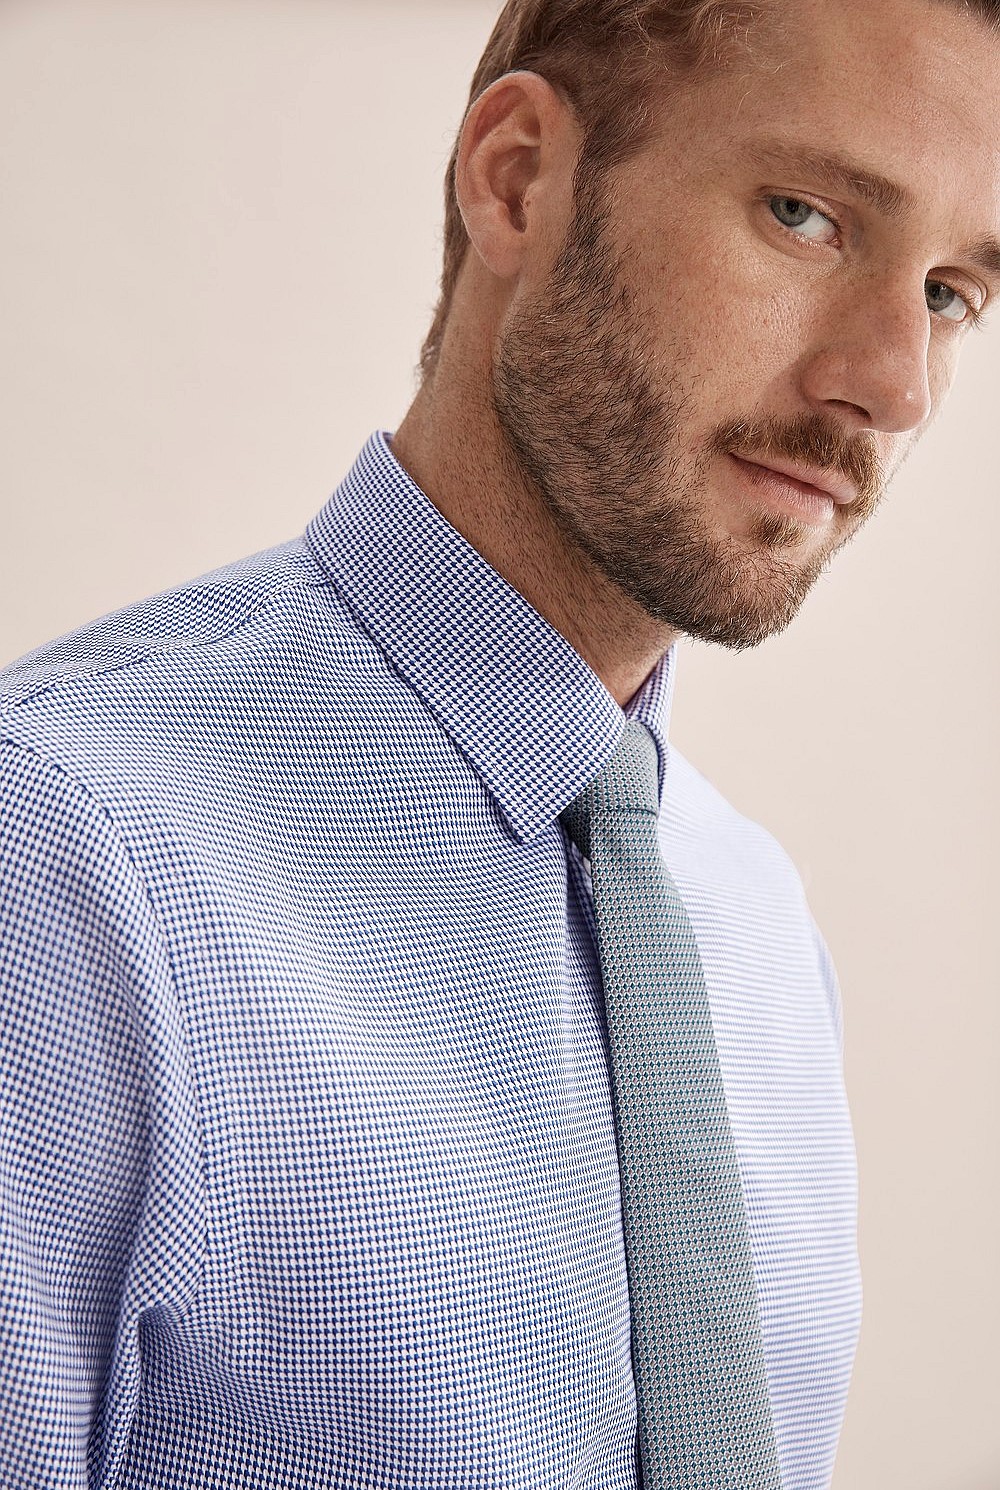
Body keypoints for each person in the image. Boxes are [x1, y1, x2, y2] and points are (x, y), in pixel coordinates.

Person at [2, 0, 998, 1484]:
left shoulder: (757, 936)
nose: (894, 382)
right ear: (520, 179)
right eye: (806, 216)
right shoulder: (62, 854)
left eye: (952, 292)